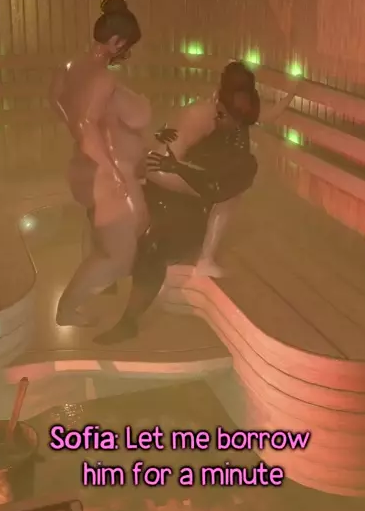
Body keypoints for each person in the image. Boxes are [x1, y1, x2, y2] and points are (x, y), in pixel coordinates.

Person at [92, 84, 262, 345]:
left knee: (154, 246)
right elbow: (156, 163)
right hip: (168, 190)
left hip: (187, 204)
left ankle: (129, 320)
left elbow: (217, 186)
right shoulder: (198, 118)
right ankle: (111, 285)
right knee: (119, 220)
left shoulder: (233, 138)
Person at [49, 0, 151, 327]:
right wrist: (112, 171)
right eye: (126, 46)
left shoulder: (70, 66)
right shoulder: (104, 79)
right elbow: (85, 123)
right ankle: (67, 309)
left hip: (84, 166)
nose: (126, 53)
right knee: (120, 256)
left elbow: (56, 100)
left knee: (110, 234)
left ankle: (91, 289)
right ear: (116, 41)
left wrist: (78, 133)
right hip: (101, 173)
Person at [145, 61, 297, 277]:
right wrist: (205, 179)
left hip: (177, 166)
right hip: (161, 167)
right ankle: (204, 260)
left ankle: (203, 257)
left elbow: (269, 115)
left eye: (247, 94)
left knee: (229, 187)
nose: (244, 101)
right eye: (240, 93)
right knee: (225, 190)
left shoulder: (237, 110)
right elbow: (172, 156)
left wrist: (292, 92)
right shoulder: (203, 114)